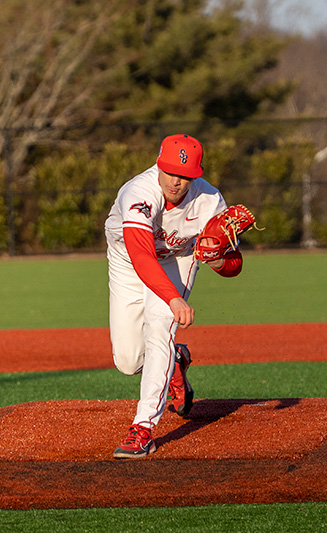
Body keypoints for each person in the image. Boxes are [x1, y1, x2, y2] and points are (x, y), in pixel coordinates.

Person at [104, 134, 243, 459]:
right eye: (169, 172)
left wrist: (218, 259)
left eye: (185, 176)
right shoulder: (139, 192)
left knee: (159, 329)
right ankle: (175, 361)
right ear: (158, 164)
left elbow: (234, 264)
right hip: (128, 262)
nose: (176, 181)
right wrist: (173, 297)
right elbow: (141, 256)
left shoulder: (209, 200)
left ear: (196, 174)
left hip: (177, 262)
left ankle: (143, 429)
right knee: (127, 361)